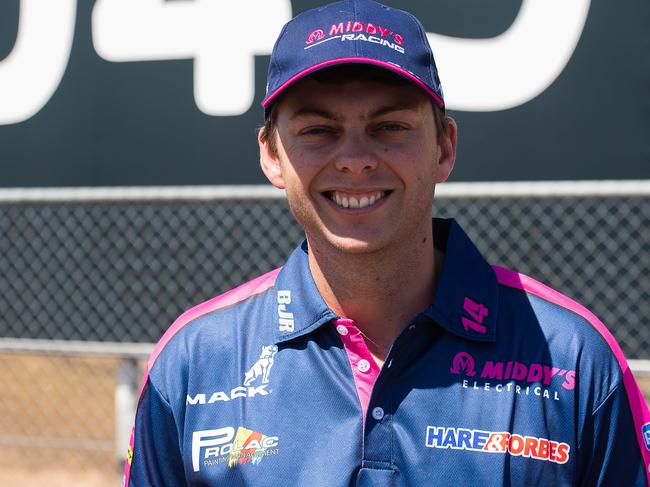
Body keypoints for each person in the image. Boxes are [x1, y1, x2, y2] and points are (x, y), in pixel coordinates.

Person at [123, 1, 650, 485]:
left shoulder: (574, 359)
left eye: (390, 126)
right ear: (271, 156)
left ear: (444, 147)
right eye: (318, 131)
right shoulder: (193, 363)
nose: (355, 158)